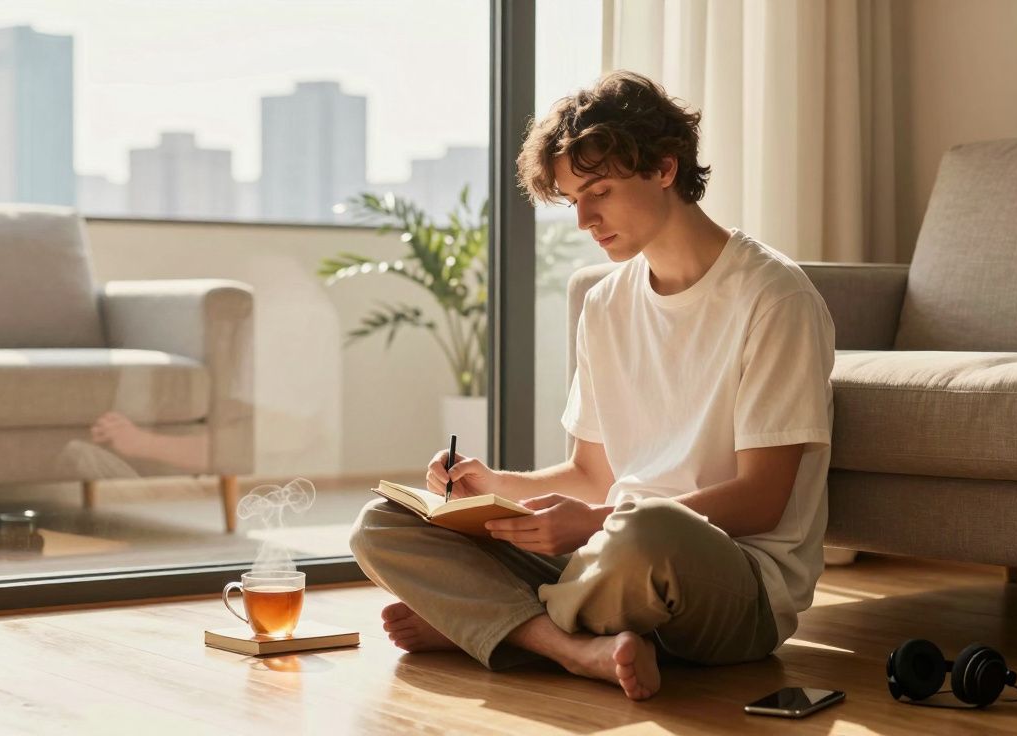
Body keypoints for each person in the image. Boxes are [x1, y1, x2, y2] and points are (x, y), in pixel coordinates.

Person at [349, 70, 835, 701]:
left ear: (664, 168)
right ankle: (574, 646)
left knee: (646, 532)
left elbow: (762, 499)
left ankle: (492, 623)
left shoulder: (774, 296)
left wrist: (595, 525)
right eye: (573, 198)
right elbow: (591, 474)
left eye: (599, 191)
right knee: (380, 524)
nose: (583, 219)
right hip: (605, 555)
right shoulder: (605, 304)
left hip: (726, 575)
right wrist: (492, 486)